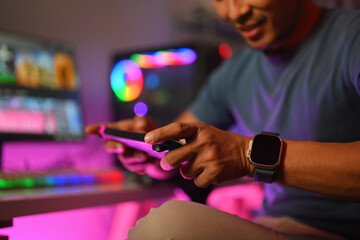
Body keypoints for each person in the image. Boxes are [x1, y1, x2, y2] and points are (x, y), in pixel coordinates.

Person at [86, 0, 360, 239]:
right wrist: (154, 152)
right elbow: (181, 144)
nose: (234, 12)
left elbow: (243, 155)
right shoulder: (236, 72)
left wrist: (247, 155)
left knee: (167, 227)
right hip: (276, 226)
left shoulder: (352, 37)